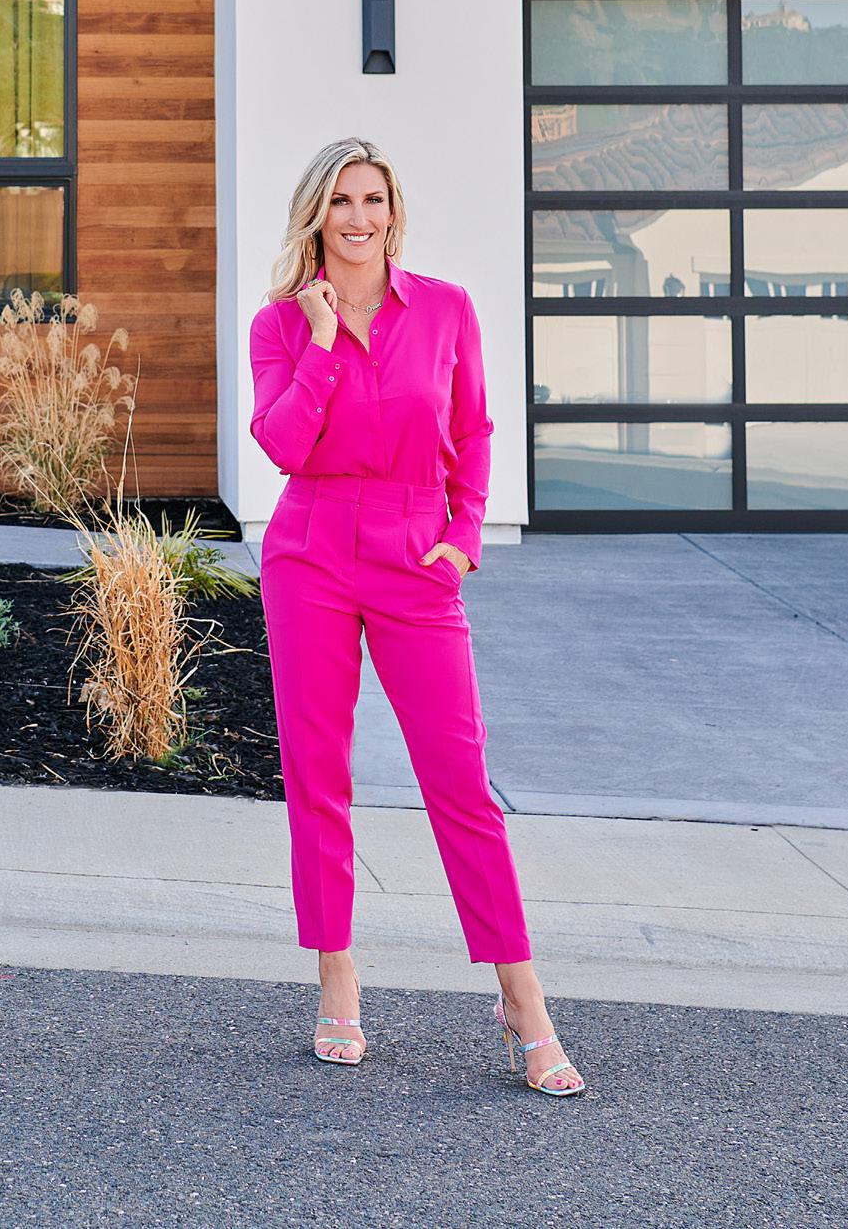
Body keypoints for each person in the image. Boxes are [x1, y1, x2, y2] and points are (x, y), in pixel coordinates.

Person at [248, 136, 585, 1097]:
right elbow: (282, 443)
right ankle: (336, 975)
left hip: (414, 551)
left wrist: (463, 536)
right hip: (310, 549)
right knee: (318, 773)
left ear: (393, 212)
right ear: (316, 215)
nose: (358, 217)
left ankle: (521, 997)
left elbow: (472, 431)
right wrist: (321, 340)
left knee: (460, 782)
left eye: (373, 199)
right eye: (341, 201)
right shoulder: (281, 323)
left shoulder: (444, 309)